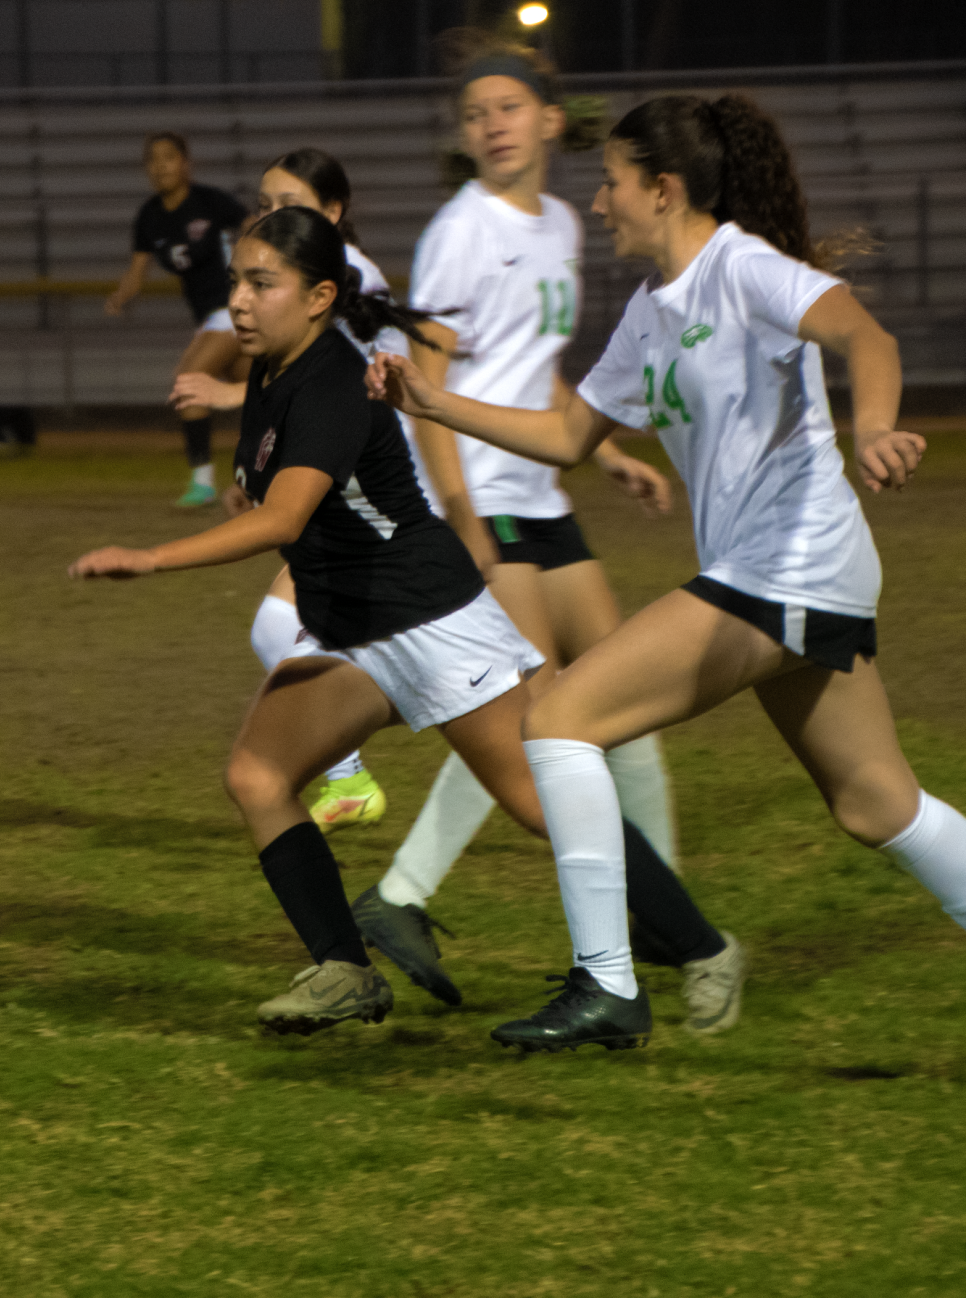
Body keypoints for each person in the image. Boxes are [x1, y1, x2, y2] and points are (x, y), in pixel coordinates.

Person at [370, 93, 966, 1079]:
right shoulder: (651, 309)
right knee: (875, 802)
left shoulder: (742, 266)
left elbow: (867, 338)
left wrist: (876, 427)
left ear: (664, 189)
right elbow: (566, 435)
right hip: (784, 573)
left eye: (614, 183)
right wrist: (434, 401)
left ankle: (609, 982)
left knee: (557, 718)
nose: (599, 204)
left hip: (791, 559)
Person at [71, 207, 724, 1038]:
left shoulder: (332, 380)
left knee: (539, 799)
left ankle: (702, 948)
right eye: (235, 279)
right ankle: (344, 971)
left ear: (317, 297)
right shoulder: (273, 369)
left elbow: (282, 521)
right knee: (257, 776)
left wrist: (150, 557)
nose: (237, 299)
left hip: (432, 617)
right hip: (354, 631)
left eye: (259, 282)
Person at [336, 37, 739, 1025]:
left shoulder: (562, 220)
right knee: (534, 726)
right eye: (476, 112)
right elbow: (421, 388)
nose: (492, 123)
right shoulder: (460, 231)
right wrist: (462, 518)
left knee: (614, 717)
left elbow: (529, 367)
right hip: (485, 502)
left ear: (552, 120)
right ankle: (414, 898)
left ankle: (653, 926)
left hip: (544, 500)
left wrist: (604, 453)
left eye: (509, 105)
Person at [170, 147, 406, 835]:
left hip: (381, 496)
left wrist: (218, 393)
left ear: (331, 213)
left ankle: (352, 771)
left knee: (287, 627)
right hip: (348, 486)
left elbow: (334, 393)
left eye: (286, 204)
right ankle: (351, 772)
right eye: (264, 202)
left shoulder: (341, 278)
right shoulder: (314, 273)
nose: (268, 215)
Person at [106, 132, 249, 508]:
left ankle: (202, 482)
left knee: (188, 382)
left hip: (234, 309)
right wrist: (122, 295)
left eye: (169, 157)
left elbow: (254, 224)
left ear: (187, 163)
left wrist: (257, 269)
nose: (160, 166)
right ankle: (280, 474)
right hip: (210, 319)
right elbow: (138, 271)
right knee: (261, 395)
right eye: (153, 159)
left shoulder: (210, 201)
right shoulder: (150, 217)